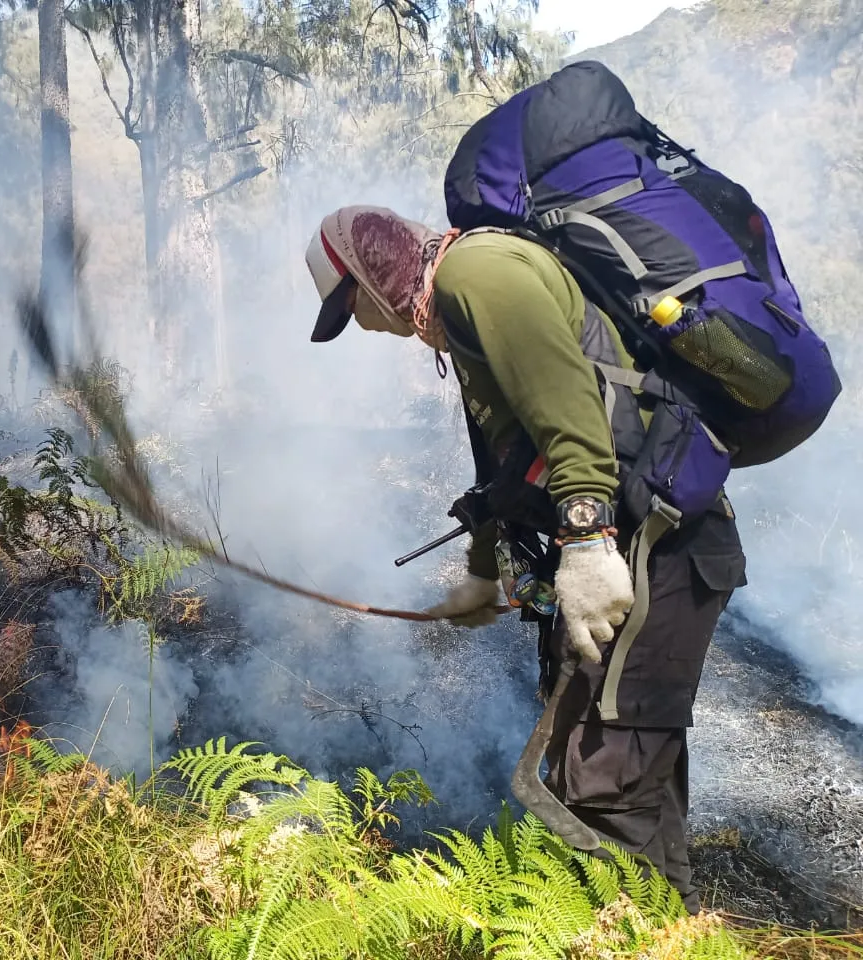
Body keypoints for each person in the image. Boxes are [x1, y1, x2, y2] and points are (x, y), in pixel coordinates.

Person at [303, 205, 748, 913]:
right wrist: (483, 573)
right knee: (624, 765)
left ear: (372, 272)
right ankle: (672, 927)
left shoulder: (478, 274)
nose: (359, 325)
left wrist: (586, 541)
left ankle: (627, 933)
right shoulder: (458, 314)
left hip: (652, 547)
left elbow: (569, 408)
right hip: (635, 547)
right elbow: (503, 464)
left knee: (603, 780)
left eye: (349, 306)